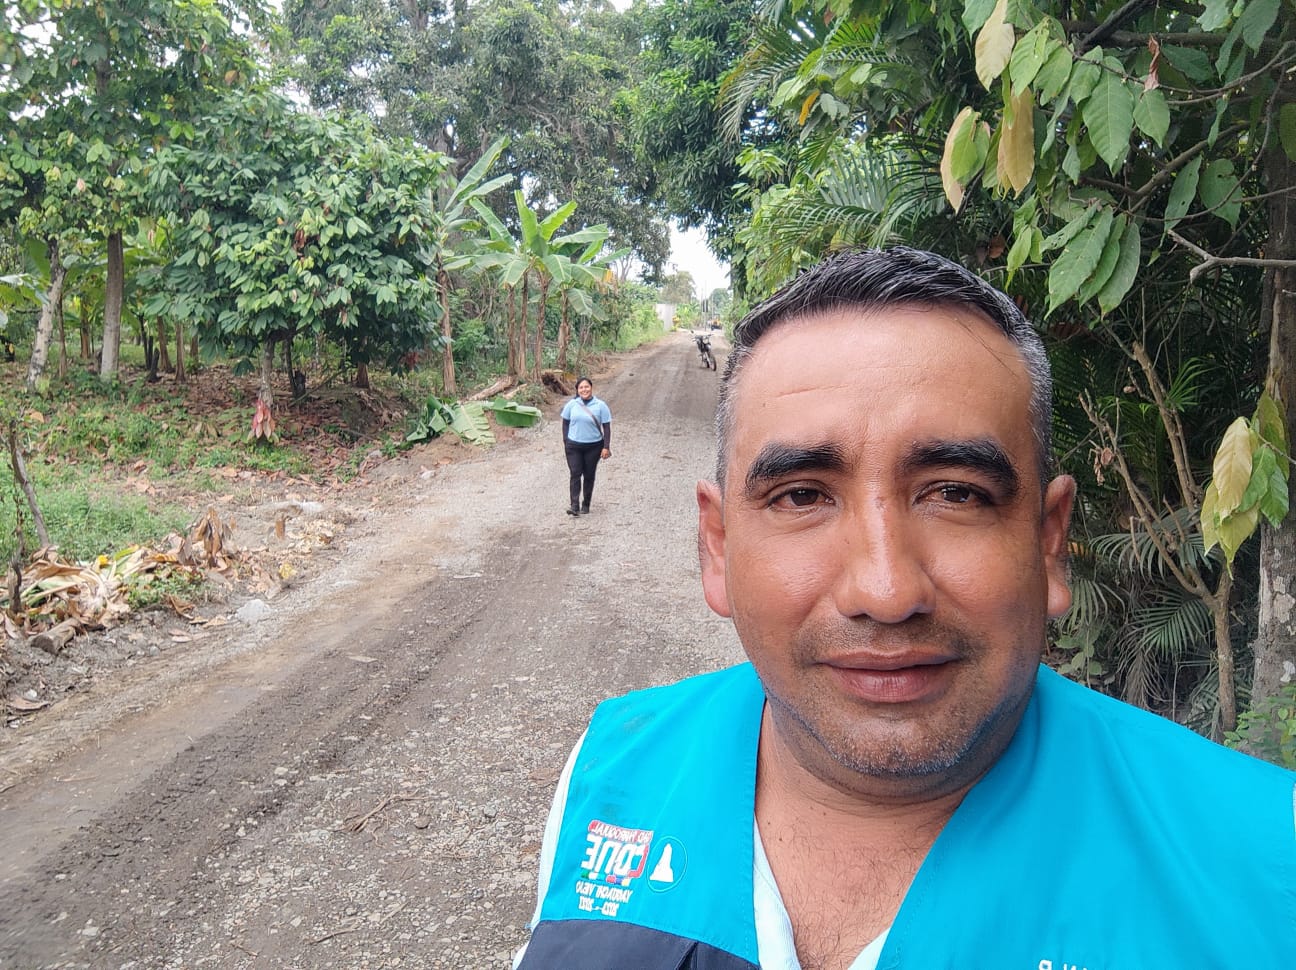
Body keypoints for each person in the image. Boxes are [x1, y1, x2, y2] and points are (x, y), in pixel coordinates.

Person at [515, 248, 1295, 969]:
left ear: (1049, 542)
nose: (885, 593)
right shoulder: (609, 776)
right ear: (717, 548)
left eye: (956, 493)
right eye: (802, 497)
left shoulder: (1265, 867)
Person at [560, 376, 611, 516]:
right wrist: (566, 441)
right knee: (575, 473)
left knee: (589, 475)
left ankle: (586, 503)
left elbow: (606, 427)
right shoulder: (572, 404)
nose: (584, 390)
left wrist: (606, 447)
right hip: (573, 446)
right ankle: (574, 505)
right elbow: (565, 422)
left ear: (591, 388)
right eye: (581, 387)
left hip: (594, 446)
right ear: (577, 390)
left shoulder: (600, 405)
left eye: (586, 387)